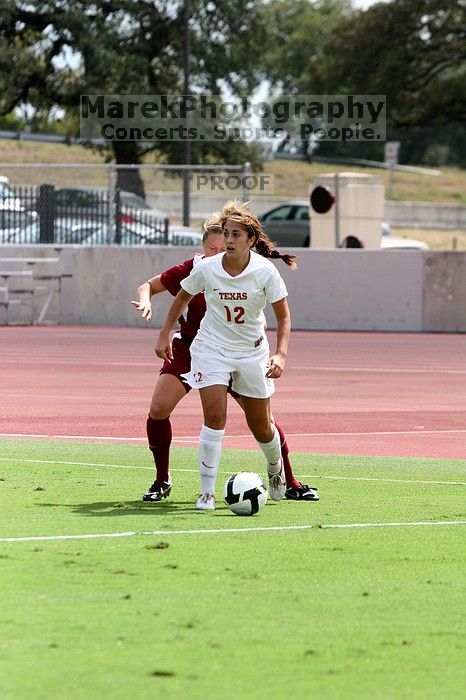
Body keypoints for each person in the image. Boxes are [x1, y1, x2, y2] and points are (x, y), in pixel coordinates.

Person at [132, 214, 319, 506]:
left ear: (249, 242)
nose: (224, 247)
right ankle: (180, 484)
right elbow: (159, 290)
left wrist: (280, 354)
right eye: (217, 244)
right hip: (203, 348)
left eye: (232, 238)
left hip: (248, 352)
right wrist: (162, 329)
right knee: (177, 411)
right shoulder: (199, 268)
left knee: (262, 423)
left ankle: (285, 478)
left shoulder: (263, 271)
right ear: (203, 247)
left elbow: (283, 315)